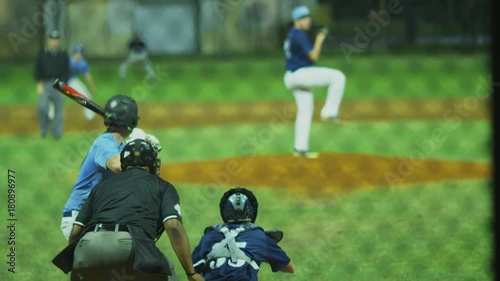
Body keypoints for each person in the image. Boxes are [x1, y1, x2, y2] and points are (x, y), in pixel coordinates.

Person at [53, 139, 205, 281]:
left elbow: (75, 232)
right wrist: (191, 273)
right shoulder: (162, 186)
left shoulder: (101, 186)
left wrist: (79, 262)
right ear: (152, 163)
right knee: (167, 275)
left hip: (87, 247)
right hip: (128, 246)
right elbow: (173, 226)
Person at [59, 94, 159, 241]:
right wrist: (136, 141)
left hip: (101, 216)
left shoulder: (123, 148)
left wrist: (147, 149)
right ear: (132, 121)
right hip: (79, 218)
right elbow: (118, 166)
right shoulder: (104, 143)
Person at [283, 6, 347, 159]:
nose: (308, 21)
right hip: (301, 75)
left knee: (305, 111)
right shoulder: (298, 34)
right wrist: (319, 40)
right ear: (296, 21)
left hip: (291, 77)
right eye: (304, 18)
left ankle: (300, 148)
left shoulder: (292, 34)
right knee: (338, 77)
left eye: (308, 18)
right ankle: (329, 112)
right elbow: (313, 56)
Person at [192, 187, 295, 280]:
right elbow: (290, 268)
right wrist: (262, 256)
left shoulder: (209, 236)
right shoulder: (260, 237)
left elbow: (192, 269)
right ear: (251, 211)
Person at [33, 29, 70, 139]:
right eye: (52, 39)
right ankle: (43, 132)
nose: (54, 42)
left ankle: (57, 134)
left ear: (59, 41)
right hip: (45, 83)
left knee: (59, 111)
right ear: (49, 40)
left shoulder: (63, 54)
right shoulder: (42, 53)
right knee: (42, 107)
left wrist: (63, 87)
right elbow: (37, 69)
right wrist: (39, 84)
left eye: (56, 39)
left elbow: (66, 72)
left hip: (59, 84)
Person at [67, 43, 98, 120]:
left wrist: (92, 87)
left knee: (87, 96)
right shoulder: (67, 59)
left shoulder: (82, 63)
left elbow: (87, 75)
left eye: (81, 54)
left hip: (72, 80)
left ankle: (90, 117)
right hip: (61, 79)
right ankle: (50, 117)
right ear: (75, 53)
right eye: (79, 53)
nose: (80, 55)